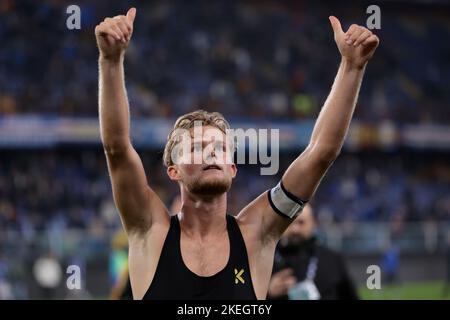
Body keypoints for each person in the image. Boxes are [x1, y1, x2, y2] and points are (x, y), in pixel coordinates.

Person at [95, 7, 379, 299]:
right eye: (195, 147)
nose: (211, 154)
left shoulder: (256, 233)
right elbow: (117, 148)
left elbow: (320, 153)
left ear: (232, 168)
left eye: (219, 148)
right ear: (173, 170)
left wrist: (352, 68)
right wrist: (111, 60)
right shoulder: (149, 229)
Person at [268, 204, 358, 300]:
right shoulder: (266, 260)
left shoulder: (332, 259)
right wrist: (268, 293)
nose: (295, 229)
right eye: (289, 223)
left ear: (313, 223)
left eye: (301, 222)